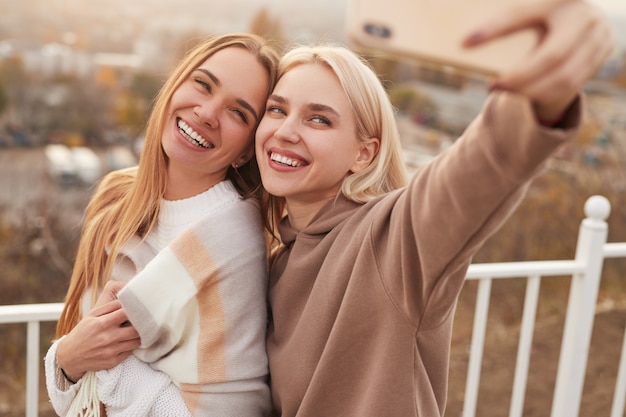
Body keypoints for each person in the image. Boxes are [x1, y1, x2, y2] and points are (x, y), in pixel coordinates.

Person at [254, 1, 614, 416]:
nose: (284, 131)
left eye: (319, 120)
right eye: (277, 109)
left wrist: (539, 93)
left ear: (364, 154)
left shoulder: (390, 241)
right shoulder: (275, 258)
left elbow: (487, 162)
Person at [44, 33, 279, 417]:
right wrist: (68, 358)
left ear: (243, 153)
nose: (206, 112)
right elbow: (68, 389)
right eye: (203, 84)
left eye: (238, 113)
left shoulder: (233, 247)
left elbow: (233, 410)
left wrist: (105, 361)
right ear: (175, 86)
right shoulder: (116, 200)